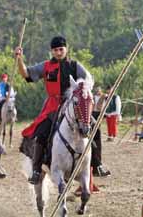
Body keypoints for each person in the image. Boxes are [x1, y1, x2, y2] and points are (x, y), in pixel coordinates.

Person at [15, 35, 111, 184]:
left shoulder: (74, 65)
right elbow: (26, 74)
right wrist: (19, 59)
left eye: (61, 49)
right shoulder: (45, 66)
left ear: (66, 49)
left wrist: (82, 88)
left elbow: (88, 79)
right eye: (55, 50)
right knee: (41, 132)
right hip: (52, 106)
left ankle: (97, 164)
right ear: (52, 51)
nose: (58, 53)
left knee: (94, 126)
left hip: (74, 104)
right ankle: (36, 170)